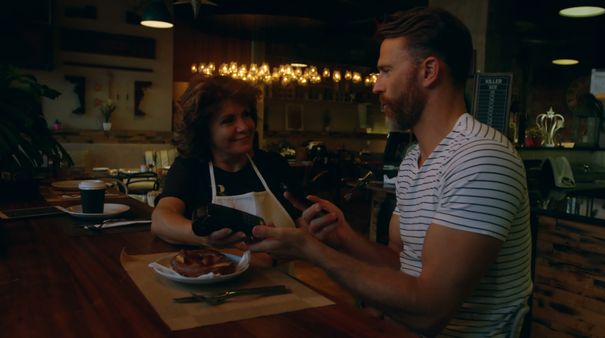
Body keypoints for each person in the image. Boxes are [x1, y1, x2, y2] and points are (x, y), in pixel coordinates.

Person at [248, 7, 532, 337]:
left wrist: (313, 251)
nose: (376, 87)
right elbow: (404, 266)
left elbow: (430, 309)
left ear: (428, 71)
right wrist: (343, 238)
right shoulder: (414, 160)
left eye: (385, 71)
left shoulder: (481, 158)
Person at [151, 76, 300, 248]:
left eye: (246, 115)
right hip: (219, 271)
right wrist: (203, 238)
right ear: (204, 130)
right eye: (228, 120)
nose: (244, 126)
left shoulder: (274, 165)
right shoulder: (190, 168)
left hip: (284, 273)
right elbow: (161, 219)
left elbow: (301, 219)